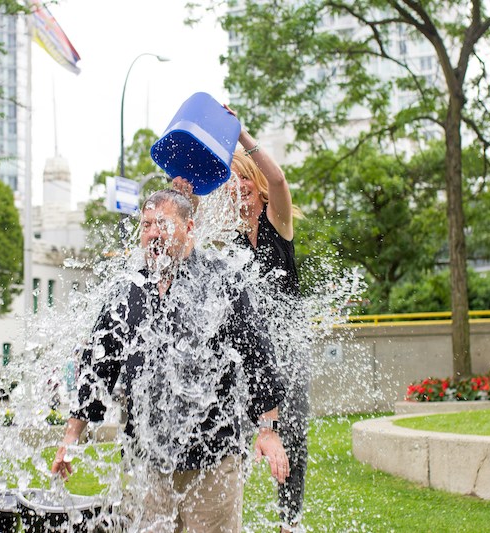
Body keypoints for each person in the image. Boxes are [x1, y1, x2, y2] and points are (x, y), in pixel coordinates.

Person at [51, 189, 289, 533]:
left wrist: (267, 431)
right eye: (146, 225)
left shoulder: (221, 280)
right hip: (146, 461)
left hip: (213, 459)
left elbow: (258, 356)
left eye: (162, 223)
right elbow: (98, 367)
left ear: (189, 226)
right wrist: (71, 436)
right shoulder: (128, 289)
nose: (152, 233)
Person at [174, 106, 309, 532]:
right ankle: (225, 512)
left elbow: (281, 181)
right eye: (234, 184)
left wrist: (241, 136)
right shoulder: (228, 243)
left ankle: (290, 522)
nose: (240, 190)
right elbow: (190, 245)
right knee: (231, 428)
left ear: (257, 185)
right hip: (250, 352)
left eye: (246, 180)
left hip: (287, 350)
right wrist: (184, 194)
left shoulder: (277, 224)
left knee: (292, 434)